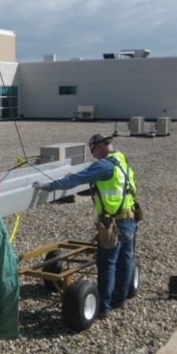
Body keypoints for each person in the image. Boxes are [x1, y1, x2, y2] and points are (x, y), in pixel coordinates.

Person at [32, 134, 138, 319]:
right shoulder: (122, 160)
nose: (94, 156)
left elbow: (77, 180)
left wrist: (50, 186)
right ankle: (120, 299)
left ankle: (103, 307)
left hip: (112, 224)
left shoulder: (103, 165)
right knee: (125, 261)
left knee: (106, 264)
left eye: (93, 152)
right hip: (129, 218)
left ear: (98, 147)